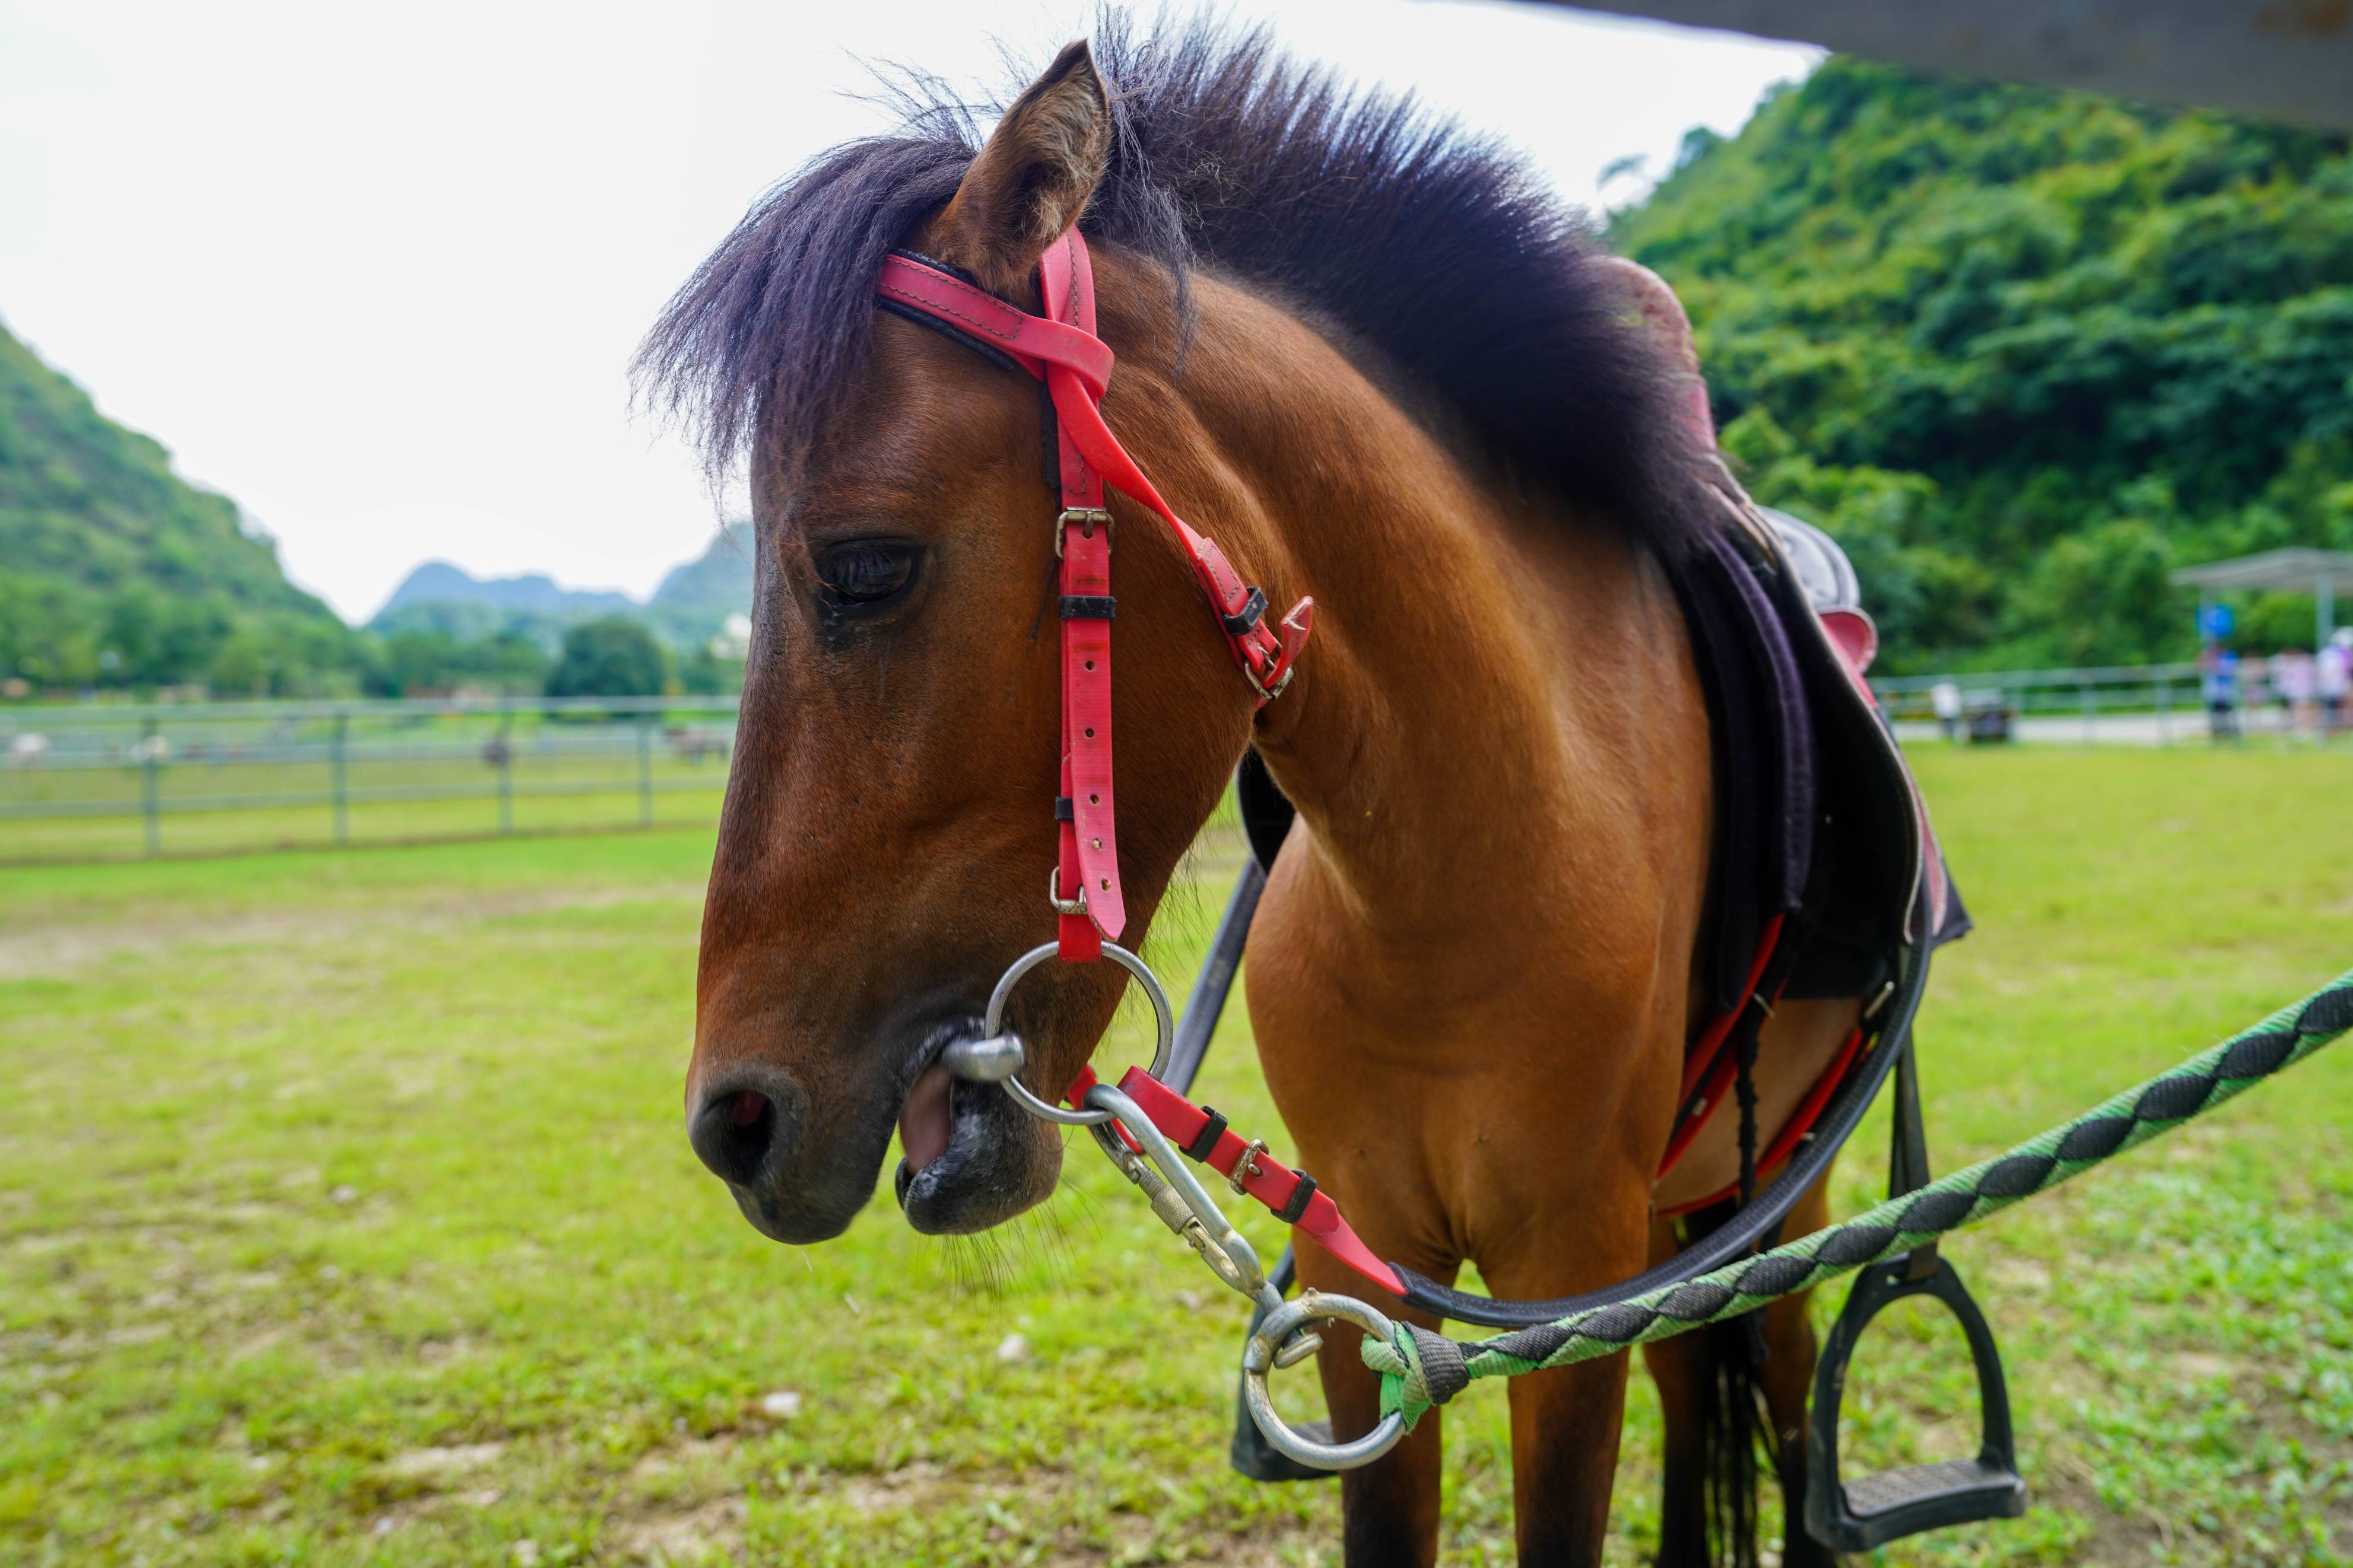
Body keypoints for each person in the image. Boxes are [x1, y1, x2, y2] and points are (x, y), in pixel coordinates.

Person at [2276, 647, 2317, 738]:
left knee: (2302, 710)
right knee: (2299, 710)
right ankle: (2300, 729)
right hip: (2299, 691)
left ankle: (2303, 729)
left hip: (2301, 691)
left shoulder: (2300, 664)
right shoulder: (2301, 664)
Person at [2203, 646, 2240, 742]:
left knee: (2228, 713)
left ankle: (2232, 733)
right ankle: (2217, 735)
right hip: (2215, 692)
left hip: (2225, 691)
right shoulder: (2210, 660)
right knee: (2215, 714)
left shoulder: (2226, 660)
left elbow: (2227, 672)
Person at [2319, 631, 2351, 737]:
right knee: (2336, 710)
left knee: (2333, 710)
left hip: (2332, 686)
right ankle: (2335, 731)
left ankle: (2335, 731)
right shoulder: (2340, 654)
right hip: (2336, 686)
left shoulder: (2327, 653)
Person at [1931, 679, 1962, 743]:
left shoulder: (1951, 688)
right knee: (1945, 725)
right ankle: (1946, 738)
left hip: (1950, 710)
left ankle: (1950, 738)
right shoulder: (1940, 689)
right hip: (1945, 710)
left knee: (1950, 725)